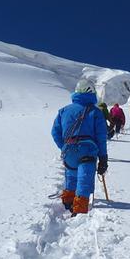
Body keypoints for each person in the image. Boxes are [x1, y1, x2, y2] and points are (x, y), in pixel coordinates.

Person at [51, 79, 108, 216]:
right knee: (84, 179)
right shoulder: (96, 112)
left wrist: (64, 146)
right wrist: (103, 158)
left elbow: (55, 132)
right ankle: (79, 210)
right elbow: (101, 137)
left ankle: (68, 202)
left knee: (71, 176)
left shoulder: (63, 111)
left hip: (69, 151)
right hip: (87, 151)